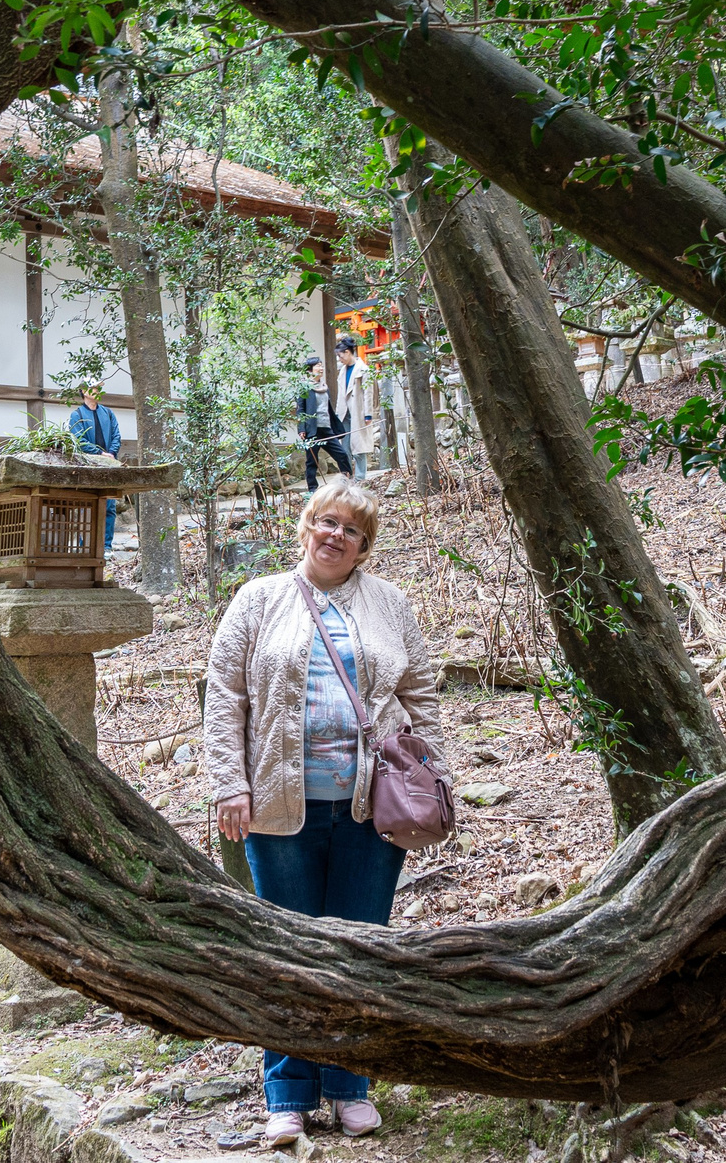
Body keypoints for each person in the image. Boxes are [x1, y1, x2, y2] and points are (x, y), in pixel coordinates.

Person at [204, 476, 439, 1146]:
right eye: (326, 522)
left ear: (365, 547)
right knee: (286, 951)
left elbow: (423, 696)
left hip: (371, 809)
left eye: (352, 530)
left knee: (357, 948)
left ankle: (349, 1084)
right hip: (279, 807)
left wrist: (439, 778)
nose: (336, 535)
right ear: (306, 527)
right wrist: (229, 784)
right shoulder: (259, 600)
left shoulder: (390, 605)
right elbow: (225, 696)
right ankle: (287, 1094)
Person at [67, 385, 123, 547]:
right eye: (93, 389)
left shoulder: (108, 413)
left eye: (98, 389)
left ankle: (106, 545)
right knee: (88, 505)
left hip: (109, 464)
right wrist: (99, 453)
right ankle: (87, 545)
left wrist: (111, 453)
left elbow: (116, 435)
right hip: (89, 464)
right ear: (84, 391)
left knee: (110, 506)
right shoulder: (76, 415)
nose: (97, 392)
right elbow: (78, 440)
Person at [293, 356, 351, 487]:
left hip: (326, 428)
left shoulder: (324, 386)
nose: (321, 368)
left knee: (341, 454)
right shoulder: (305, 387)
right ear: (310, 370)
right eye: (318, 366)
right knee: (312, 461)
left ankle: (347, 481)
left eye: (321, 365)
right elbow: (300, 409)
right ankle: (312, 488)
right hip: (312, 429)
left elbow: (327, 409)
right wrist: (301, 428)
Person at [333, 335, 381, 471]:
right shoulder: (342, 371)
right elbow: (340, 395)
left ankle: (360, 477)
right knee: (345, 447)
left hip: (358, 410)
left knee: (359, 446)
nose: (339, 359)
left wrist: (368, 414)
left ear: (348, 353)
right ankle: (347, 475)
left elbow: (368, 393)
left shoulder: (363, 369)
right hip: (344, 413)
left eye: (340, 356)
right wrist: (337, 414)